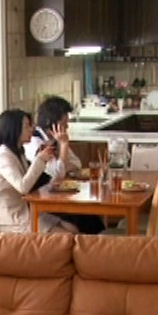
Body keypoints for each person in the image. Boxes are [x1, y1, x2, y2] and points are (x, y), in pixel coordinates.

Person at [24, 96, 105, 234]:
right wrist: (64, 144)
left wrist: (61, 158)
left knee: (90, 216)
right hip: (41, 200)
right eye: (64, 123)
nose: (67, 127)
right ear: (50, 123)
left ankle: (98, 245)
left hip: (55, 194)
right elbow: (58, 174)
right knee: (84, 218)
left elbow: (77, 163)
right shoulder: (34, 142)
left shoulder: (53, 138)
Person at [0, 109, 77, 233]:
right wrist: (40, 160)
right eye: (27, 126)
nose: (31, 129)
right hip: (12, 218)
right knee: (67, 235)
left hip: (27, 212)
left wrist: (47, 174)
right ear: (14, 130)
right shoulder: (3, 156)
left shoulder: (18, 152)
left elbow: (31, 181)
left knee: (73, 229)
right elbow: (23, 187)